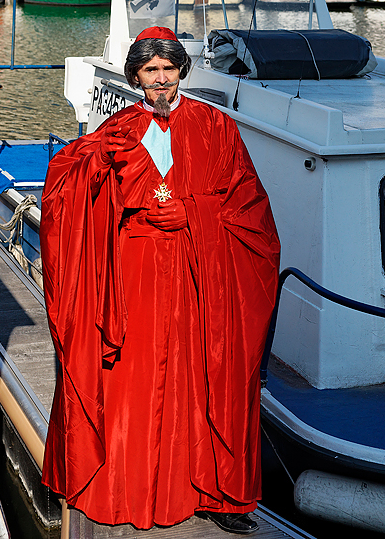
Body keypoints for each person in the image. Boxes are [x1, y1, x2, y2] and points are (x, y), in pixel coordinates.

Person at [40, 26, 280, 534]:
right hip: (137, 275)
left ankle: (207, 493)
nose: (162, 81)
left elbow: (251, 207)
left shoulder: (215, 127)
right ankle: (122, 490)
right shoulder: (117, 129)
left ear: (181, 73)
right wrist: (96, 166)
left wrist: (193, 211)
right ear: (135, 77)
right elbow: (64, 185)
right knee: (134, 383)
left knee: (198, 382)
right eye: (151, 72)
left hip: (197, 277)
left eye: (169, 70)